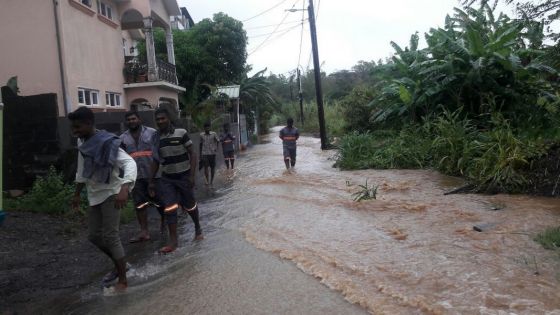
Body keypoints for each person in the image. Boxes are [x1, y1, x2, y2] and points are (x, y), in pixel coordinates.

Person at [70, 107, 137, 291]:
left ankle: (123, 280)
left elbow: (129, 162)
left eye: (77, 127)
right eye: (73, 127)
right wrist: (77, 194)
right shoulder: (82, 141)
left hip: (112, 193)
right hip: (94, 195)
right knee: (93, 236)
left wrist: (125, 187)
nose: (74, 131)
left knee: (110, 236)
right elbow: (82, 169)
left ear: (89, 124)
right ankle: (121, 265)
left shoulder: (107, 142)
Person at [149, 108, 203, 254]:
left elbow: (193, 154)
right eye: (158, 119)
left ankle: (197, 227)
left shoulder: (181, 133)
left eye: (163, 118)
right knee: (169, 208)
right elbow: (155, 161)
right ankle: (173, 241)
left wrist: (192, 176)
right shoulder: (155, 138)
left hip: (184, 176)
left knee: (190, 205)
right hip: (167, 178)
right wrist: (151, 180)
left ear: (168, 119)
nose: (160, 121)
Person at [120, 111, 165, 243]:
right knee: (139, 204)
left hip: (154, 174)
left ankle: (164, 222)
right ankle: (144, 231)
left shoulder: (152, 133)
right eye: (128, 120)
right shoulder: (122, 138)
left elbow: (159, 151)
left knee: (160, 202)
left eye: (133, 118)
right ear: (126, 122)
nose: (131, 121)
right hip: (135, 177)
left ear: (139, 119)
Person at [199, 122, 220, 187]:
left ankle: (211, 181)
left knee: (212, 168)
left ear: (210, 127)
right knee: (205, 167)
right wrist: (200, 154)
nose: (207, 128)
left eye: (208, 127)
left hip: (212, 153)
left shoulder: (214, 134)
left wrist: (216, 148)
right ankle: (207, 181)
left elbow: (218, 141)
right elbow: (200, 144)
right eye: (206, 127)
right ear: (204, 128)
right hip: (204, 153)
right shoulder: (201, 135)